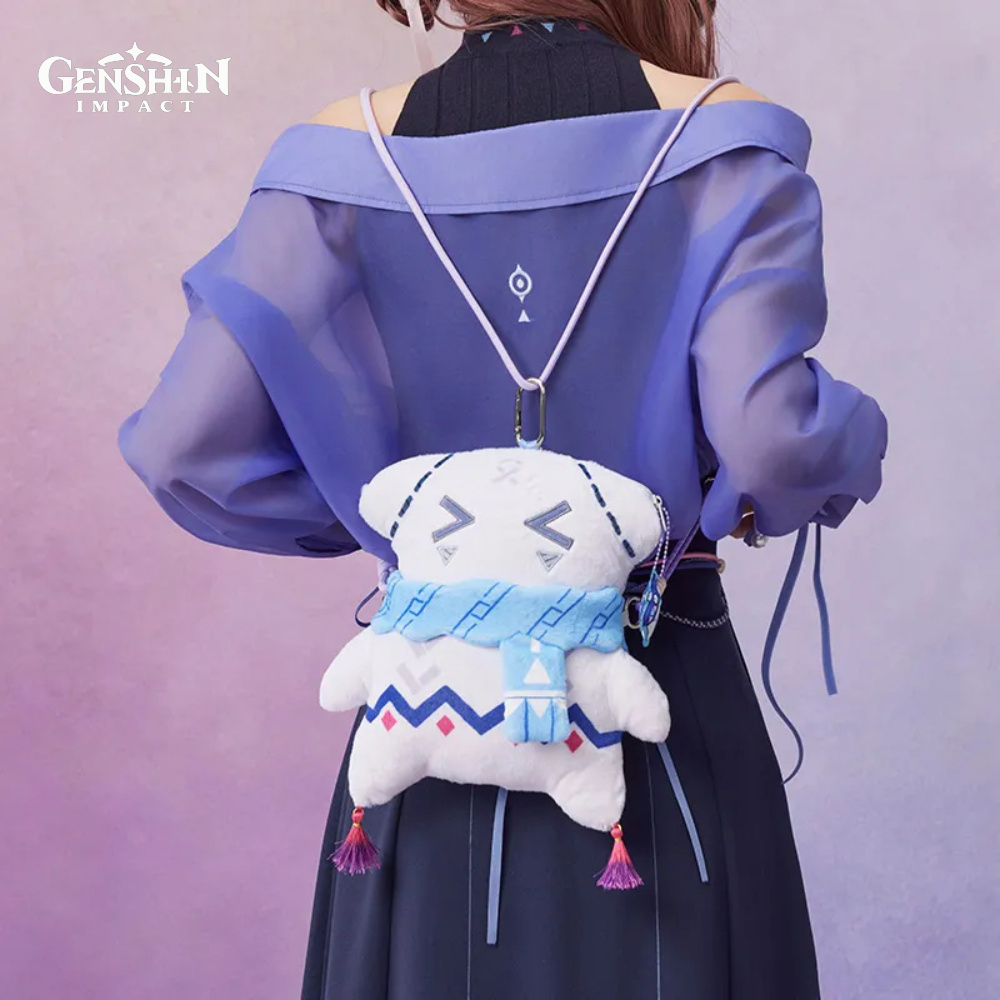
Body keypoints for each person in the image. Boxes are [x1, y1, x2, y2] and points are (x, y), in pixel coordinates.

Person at [117, 2, 889, 997]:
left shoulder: (334, 162)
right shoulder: (723, 141)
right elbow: (772, 441)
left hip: (427, 712)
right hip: (658, 700)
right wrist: (853, 446)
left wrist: (420, 534)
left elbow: (183, 446)